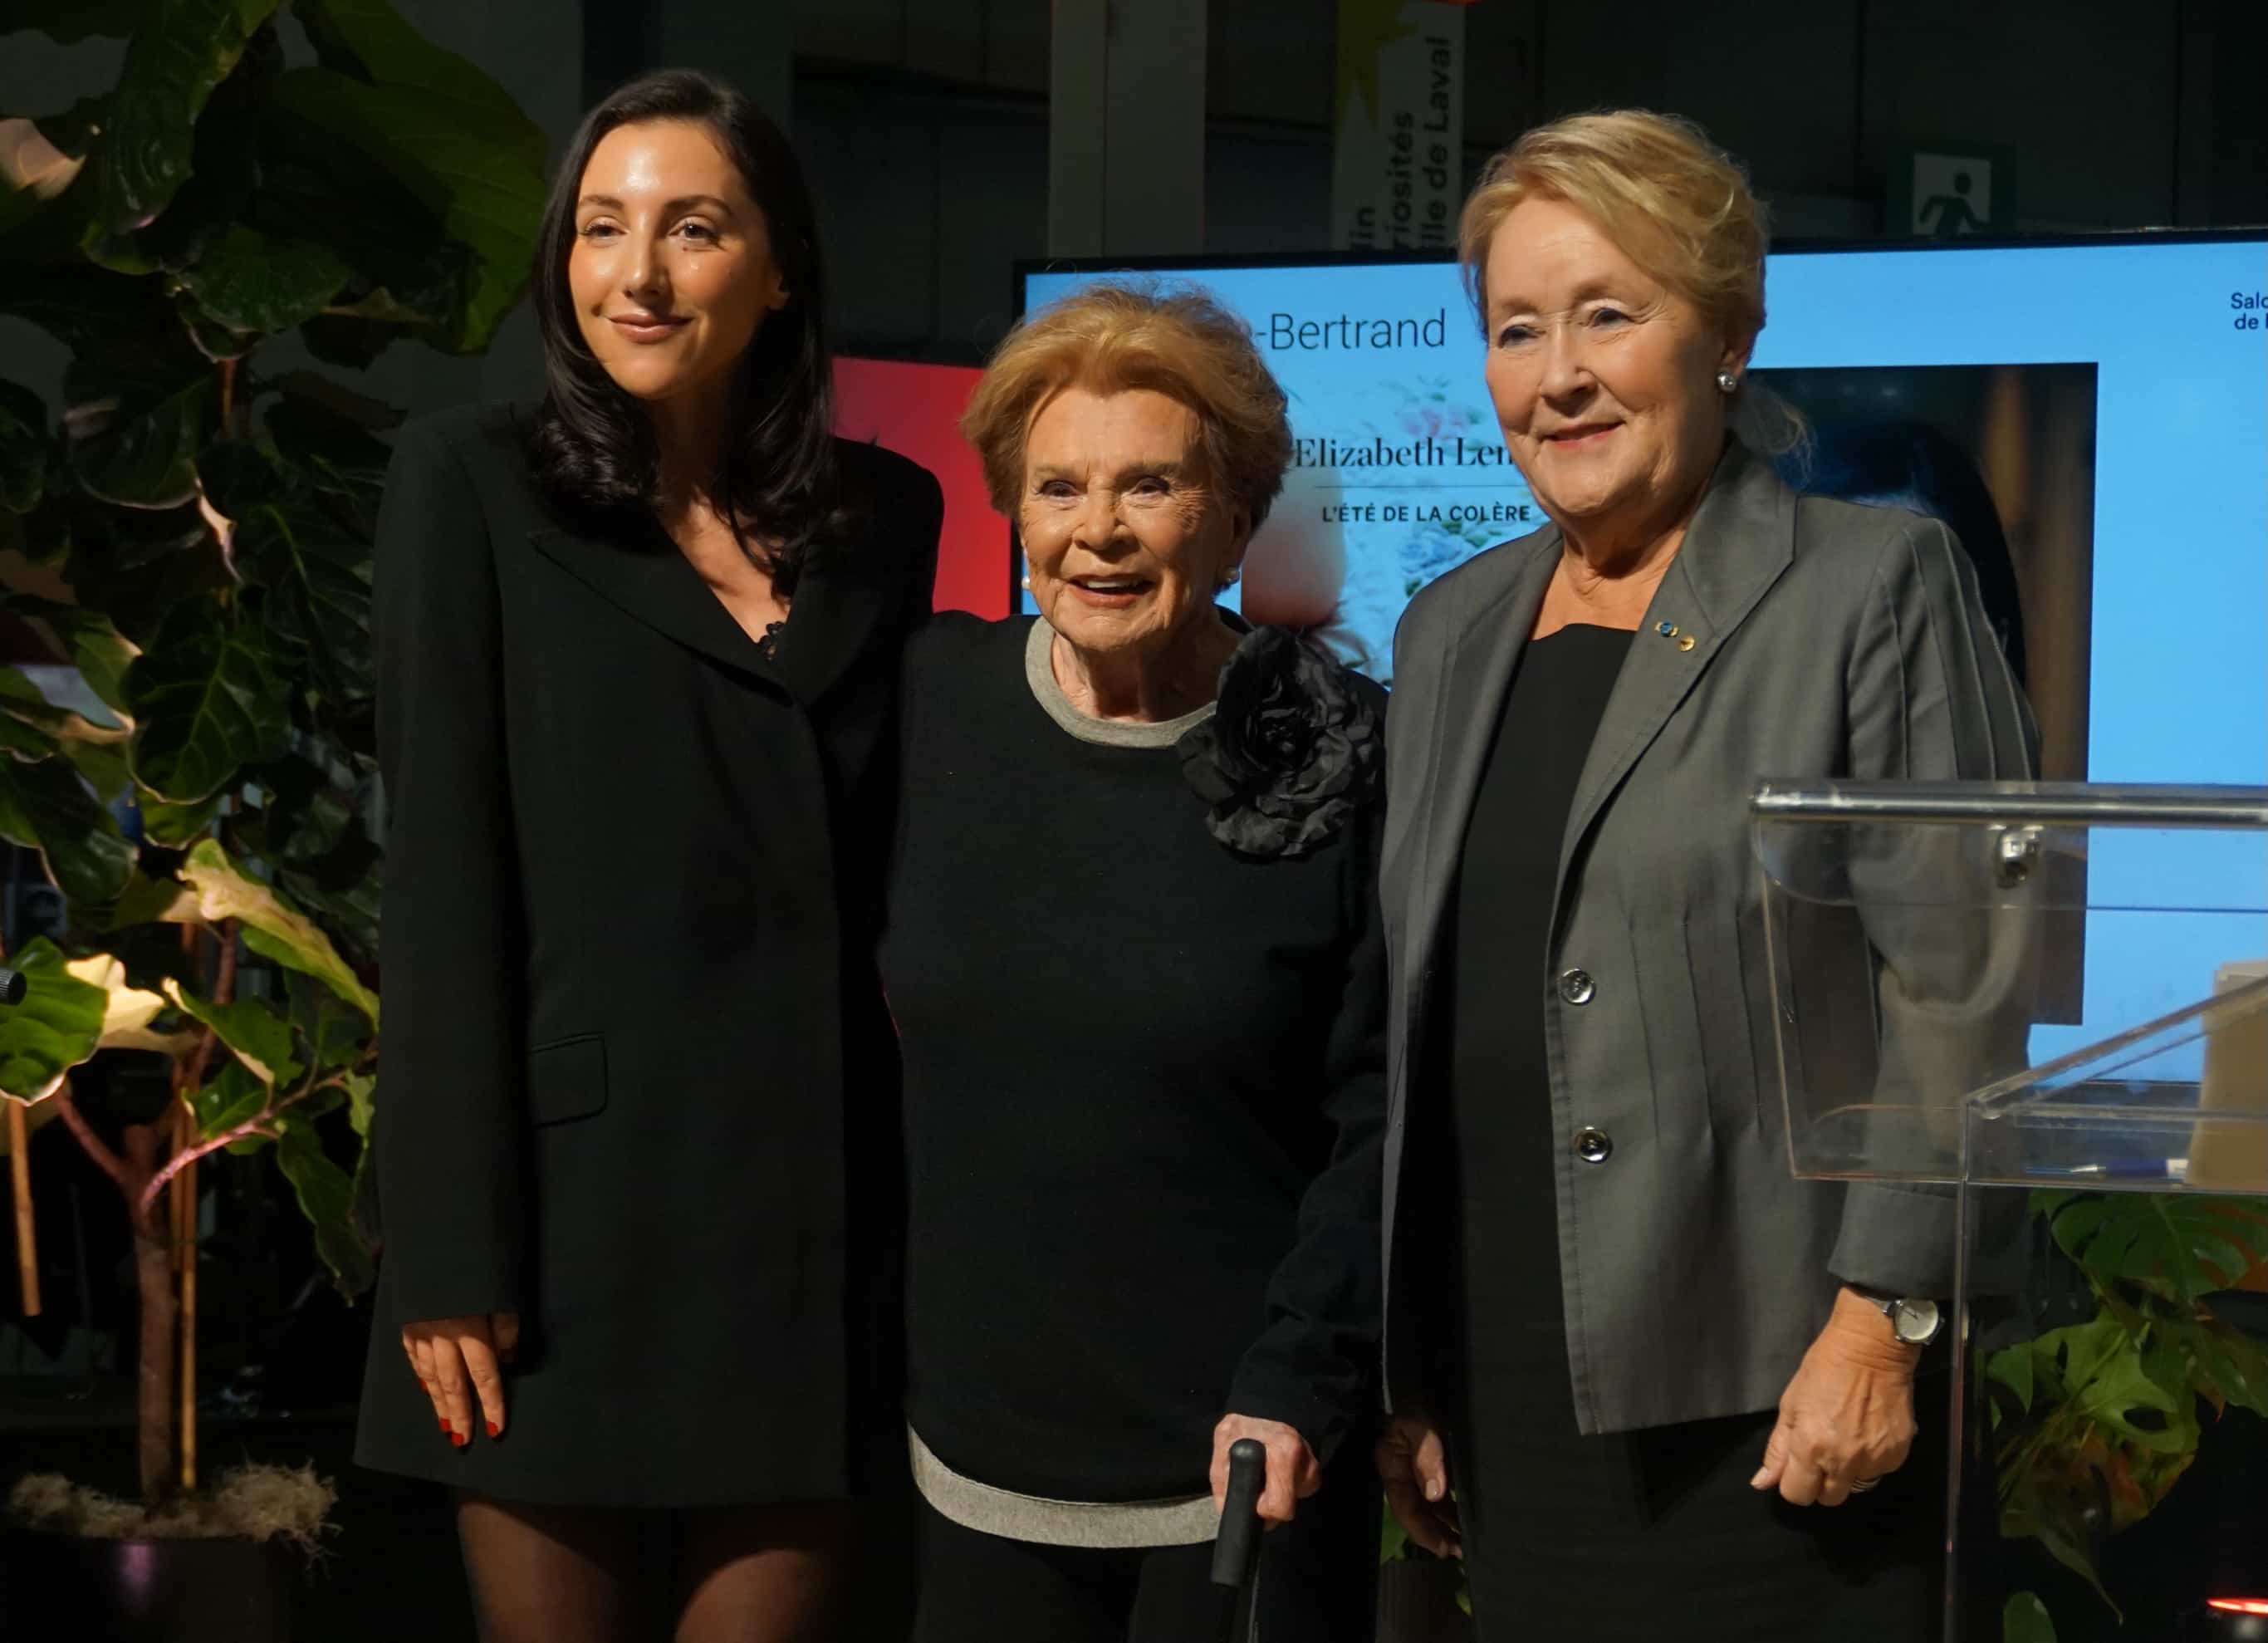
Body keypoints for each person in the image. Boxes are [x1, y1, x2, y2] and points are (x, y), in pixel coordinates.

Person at [1372, 110, 2035, 1641]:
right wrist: (1410, 1367)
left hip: (1779, 1400)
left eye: (1612, 312)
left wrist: (1884, 1318)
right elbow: (1418, 1020)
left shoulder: (1870, 585)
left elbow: (1967, 975)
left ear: (1731, 333)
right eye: (1519, 329)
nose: (1560, 375)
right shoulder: (1448, 630)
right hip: (1512, 1397)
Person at [354, 70, 942, 1642]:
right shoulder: (469, 482)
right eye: (602, 228)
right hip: (559, 1242)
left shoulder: (889, 515)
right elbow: (441, 885)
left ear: (780, 262)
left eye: (693, 226)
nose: (640, 271)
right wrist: (448, 1247)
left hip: (811, 1228)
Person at [879, 283, 1387, 1642]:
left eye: (1150, 485)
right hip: (971, 1470)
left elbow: (1382, 1114)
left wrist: (1305, 1375)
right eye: (1058, 487)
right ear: (1014, 509)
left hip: (1243, 1475)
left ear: (1232, 515)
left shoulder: (1341, 747)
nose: (1097, 529)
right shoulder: (927, 708)